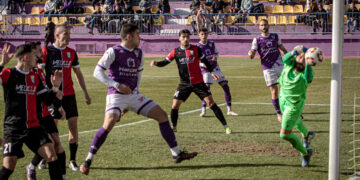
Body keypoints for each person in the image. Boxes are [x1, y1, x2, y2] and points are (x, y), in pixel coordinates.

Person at [79, 24, 198, 175]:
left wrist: (135, 93)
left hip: (133, 95)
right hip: (116, 95)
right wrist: (116, 85)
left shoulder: (139, 53)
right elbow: (97, 72)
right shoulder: (113, 51)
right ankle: (88, 159)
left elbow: (138, 76)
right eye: (137, 35)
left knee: (162, 115)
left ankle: (176, 153)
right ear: (128, 37)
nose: (140, 38)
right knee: (109, 122)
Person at [150, 29, 232, 134]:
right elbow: (165, 62)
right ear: (179, 38)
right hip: (184, 84)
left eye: (187, 37)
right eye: (183, 37)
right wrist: (156, 63)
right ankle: (174, 127)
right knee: (175, 105)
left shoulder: (196, 49)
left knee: (211, 103)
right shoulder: (175, 52)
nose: (185, 39)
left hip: (198, 82)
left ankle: (226, 126)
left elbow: (205, 61)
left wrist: (212, 72)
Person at [0, 43, 63, 180]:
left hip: (33, 126)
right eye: (35, 56)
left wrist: (56, 87)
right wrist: (1, 64)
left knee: (52, 155)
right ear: (26, 57)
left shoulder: (34, 77)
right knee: (8, 168)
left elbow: (46, 100)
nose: (38, 59)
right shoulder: (9, 74)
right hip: (14, 128)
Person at [42, 25, 92, 171]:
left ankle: (72, 160)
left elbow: (78, 74)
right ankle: (46, 157)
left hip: (69, 95)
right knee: (52, 127)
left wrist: (85, 93)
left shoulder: (71, 52)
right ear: (57, 36)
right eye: (65, 34)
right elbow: (40, 72)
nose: (69, 37)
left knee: (73, 125)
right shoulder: (47, 51)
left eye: (69, 34)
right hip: (53, 94)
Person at [25, 42, 67, 180]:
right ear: (32, 53)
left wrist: (58, 104)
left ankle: (62, 175)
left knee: (57, 144)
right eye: (38, 51)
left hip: (46, 113)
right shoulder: (29, 74)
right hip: (37, 116)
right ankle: (31, 167)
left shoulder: (39, 72)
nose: (41, 53)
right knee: (51, 144)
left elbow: (44, 94)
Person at [277, 45, 316, 167]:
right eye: (299, 56)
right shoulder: (289, 65)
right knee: (296, 121)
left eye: (304, 58)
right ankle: (306, 134)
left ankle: (305, 153)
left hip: (293, 106)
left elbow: (308, 75)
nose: (301, 57)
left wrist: (308, 60)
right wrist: (295, 51)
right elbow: (284, 59)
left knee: (284, 134)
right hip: (283, 100)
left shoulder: (305, 76)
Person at [248, 19, 287, 123]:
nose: (264, 26)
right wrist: (251, 54)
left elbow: (282, 49)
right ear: (259, 27)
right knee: (274, 91)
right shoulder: (257, 39)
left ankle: (291, 110)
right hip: (268, 68)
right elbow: (252, 53)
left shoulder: (275, 36)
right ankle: (279, 114)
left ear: (268, 25)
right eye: (262, 25)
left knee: (287, 88)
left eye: (265, 24)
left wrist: (288, 58)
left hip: (279, 65)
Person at [197, 28, 237, 117]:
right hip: (205, 70)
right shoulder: (197, 47)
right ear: (199, 35)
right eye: (202, 34)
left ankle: (229, 110)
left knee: (226, 87)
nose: (204, 36)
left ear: (208, 34)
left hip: (216, 68)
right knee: (206, 90)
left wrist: (215, 56)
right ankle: (203, 110)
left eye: (205, 34)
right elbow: (197, 61)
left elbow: (216, 53)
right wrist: (204, 65)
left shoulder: (212, 44)